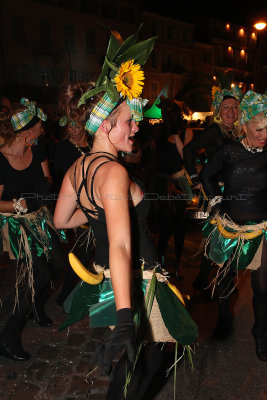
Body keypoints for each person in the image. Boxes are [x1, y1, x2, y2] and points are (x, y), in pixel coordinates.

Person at [54, 28, 198, 399]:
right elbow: (120, 245)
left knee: (144, 362)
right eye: (129, 121)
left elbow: (62, 220)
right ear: (105, 125)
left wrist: (102, 214)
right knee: (145, 363)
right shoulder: (114, 172)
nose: (137, 127)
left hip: (111, 280)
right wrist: (123, 319)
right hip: (137, 280)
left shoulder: (78, 168)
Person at [200, 90, 267, 360]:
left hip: (261, 230)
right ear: (245, 126)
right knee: (226, 281)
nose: (265, 133)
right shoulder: (229, 152)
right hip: (230, 229)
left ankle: (260, 332)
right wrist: (216, 201)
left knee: (263, 288)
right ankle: (223, 319)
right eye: (259, 128)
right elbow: (206, 174)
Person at [0, 98, 66, 361]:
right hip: (15, 223)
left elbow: (47, 178)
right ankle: (8, 334)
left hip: (39, 216)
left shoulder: (37, 149)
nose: (43, 131)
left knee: (59, 263)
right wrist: (19, 204)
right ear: (28, 129)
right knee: (39, 273)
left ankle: (36, 305)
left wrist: (44, 185)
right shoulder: (2, 158)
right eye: (40, 126)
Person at [183, 84, 243, 295]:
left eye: (234, 107)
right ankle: (203, 281)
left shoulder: (236, 134)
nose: (230, 111)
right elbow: (188, 150)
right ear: (219, 111)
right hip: (215, 192)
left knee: (229, 236)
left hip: (232, 193)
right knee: (218, 237)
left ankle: (221, 279)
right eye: (226, 107)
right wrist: (194, 177)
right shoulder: (214, 131)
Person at [54, 82, 94, 307]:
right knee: (83, 252)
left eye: (75, 125)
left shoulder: (94, 145)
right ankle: (64, 296)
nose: (72, 129)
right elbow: (61, 181)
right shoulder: (63, 149)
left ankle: (81, 291)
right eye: (68, 125)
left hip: (97, 204)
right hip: (77, 209)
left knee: (90, 253)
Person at [155, 96, 193, 278]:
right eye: (165, 113)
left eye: (170, 112)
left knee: (179, 224)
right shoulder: (160, 132)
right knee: (163, 223)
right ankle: (159, 262)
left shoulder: (186, 132)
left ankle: (177, 265)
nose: (167, 116)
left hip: (179, 183)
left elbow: (185, 156)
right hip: (162, 184)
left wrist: (176, 133)